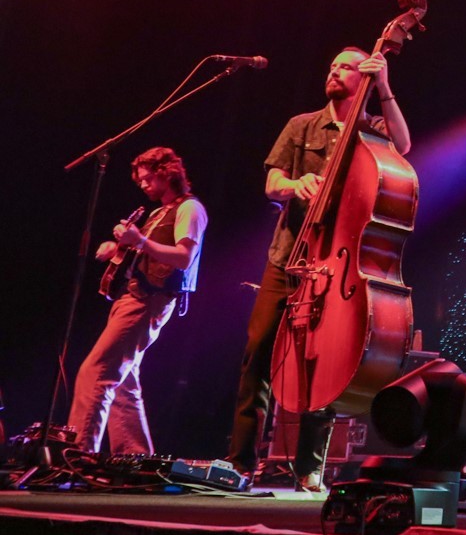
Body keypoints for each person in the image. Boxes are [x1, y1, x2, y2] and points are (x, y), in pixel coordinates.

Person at [228, 48, 412, 491]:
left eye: (345, 66)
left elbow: (403, 147)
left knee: (325, 359)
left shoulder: (373, 131)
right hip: (289, 255)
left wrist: (385, 86)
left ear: (363, 75)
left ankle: (309, 467)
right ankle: (239, 463)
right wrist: (295, 184)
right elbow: (272, 181)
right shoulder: (302, 125)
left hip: (336, 264)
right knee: (258, 353)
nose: (334, 71)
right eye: (331, 65)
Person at [68, 147, 206, 454]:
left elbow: (184, 257)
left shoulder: (190, 209)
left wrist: (140, 241)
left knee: (97, 371)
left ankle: (78, 454)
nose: (142, 185)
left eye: (147, 179)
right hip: (130, 297)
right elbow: (144, 252)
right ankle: (134, 458)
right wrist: (115, 247)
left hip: (148, 300)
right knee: (124, 382)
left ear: (166, 173)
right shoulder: (159, 212)